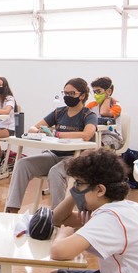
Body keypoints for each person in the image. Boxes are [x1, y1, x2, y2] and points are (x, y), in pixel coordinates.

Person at [5, 78, 97, 212]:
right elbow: (33, 128)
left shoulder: (88, 115)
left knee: (55, 172)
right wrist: (42, 132)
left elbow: (87, 134)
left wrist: (58, 134)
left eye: (71, 94)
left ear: (82, 95)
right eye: (65, 93)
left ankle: (57, 215)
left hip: (76, 158)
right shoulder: (59, 112)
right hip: (54, 154)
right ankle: (12, 209)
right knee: (22, 164)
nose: (67, 96)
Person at [87, 76, 124, 150]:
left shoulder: (116, 106)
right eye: (94, 92)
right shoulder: (92, 105)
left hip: (113, 137)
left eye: (98, 91)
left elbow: (104, 112)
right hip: (96, 135)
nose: (96, 95)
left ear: (108, 91)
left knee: (96, 147)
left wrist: (107, 98)